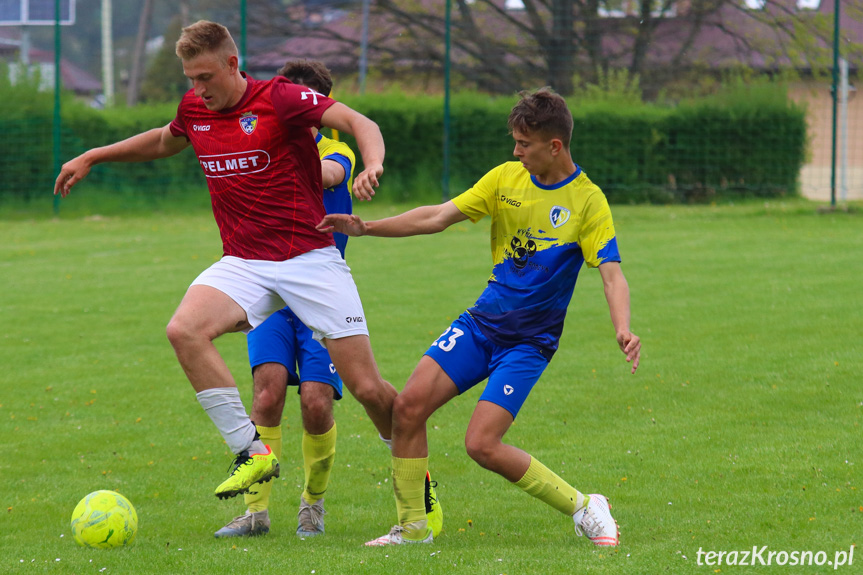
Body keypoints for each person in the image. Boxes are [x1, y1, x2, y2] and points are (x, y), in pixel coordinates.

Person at [52, 22, 420, 527]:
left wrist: (371, 165)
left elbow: (362, 123)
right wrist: (94, 155)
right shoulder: (194, 109)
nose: (198, 88)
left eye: (205, 76)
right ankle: (252, 452)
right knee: (184, 329)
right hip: (245, 262)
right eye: (190, 78)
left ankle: (418, 488)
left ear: (232, 64)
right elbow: (163, 141)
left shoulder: (283, 98)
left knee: (368, 388)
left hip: (309, 260)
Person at [318, 88, 641, 547]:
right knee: (407, 410)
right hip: (481, 324)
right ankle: (413, 528)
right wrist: (368, 227)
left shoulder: (588, 201)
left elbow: (612, 275)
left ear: (555, 146)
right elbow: (438, 216)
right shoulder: (506, 178)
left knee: (482, 445)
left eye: (523, 144)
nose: (515, 151)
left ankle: (586, 506)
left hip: (529, 343)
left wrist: (622, 327)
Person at [214, 59, 440, 540]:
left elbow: (328, 175)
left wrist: (264, 164)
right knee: (267, 393)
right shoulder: (260, 140)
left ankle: (313, 504)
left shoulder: (335, 150)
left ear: (315, 110)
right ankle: (256, 513)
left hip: (318, 297)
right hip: (271, 291)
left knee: (318, 402)